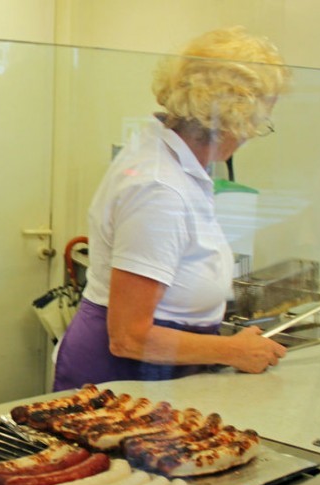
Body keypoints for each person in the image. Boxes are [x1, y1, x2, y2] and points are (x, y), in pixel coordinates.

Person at [54, 26, 290, 391]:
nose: (252, 134)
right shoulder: (160, 188)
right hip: (121, 379)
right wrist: (232, 351)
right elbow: (129, 337)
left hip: (152, 374)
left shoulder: (166, 157)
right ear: (234, 117)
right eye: (260, 120)